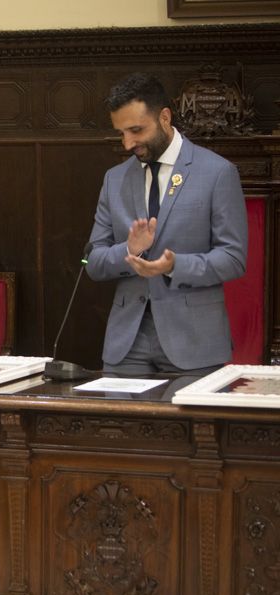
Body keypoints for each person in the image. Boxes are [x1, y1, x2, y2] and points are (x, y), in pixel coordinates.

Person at [86, 72, 247, 376]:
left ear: (164, 117)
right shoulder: (115, 179)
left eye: (136, 130)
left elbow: (233, 259)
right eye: (121, 132)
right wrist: (128, 249)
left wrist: (173, 266)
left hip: (194, 343)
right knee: (117, 424)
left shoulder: (217, 173)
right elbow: (92, 261)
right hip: (126, 346)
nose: (127, 142)